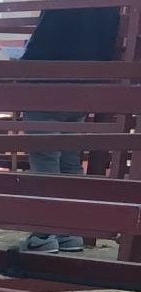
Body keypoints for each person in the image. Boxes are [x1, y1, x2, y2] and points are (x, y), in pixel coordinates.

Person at [17, 6, 119, 252]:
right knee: (70, 160)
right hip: (84, 88)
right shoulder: (110, 6)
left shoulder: (61, 4)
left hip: (49, 85)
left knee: (45, 159)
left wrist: (18, 70)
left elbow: (43, 43)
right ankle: (70, 231)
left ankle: (44, 234)